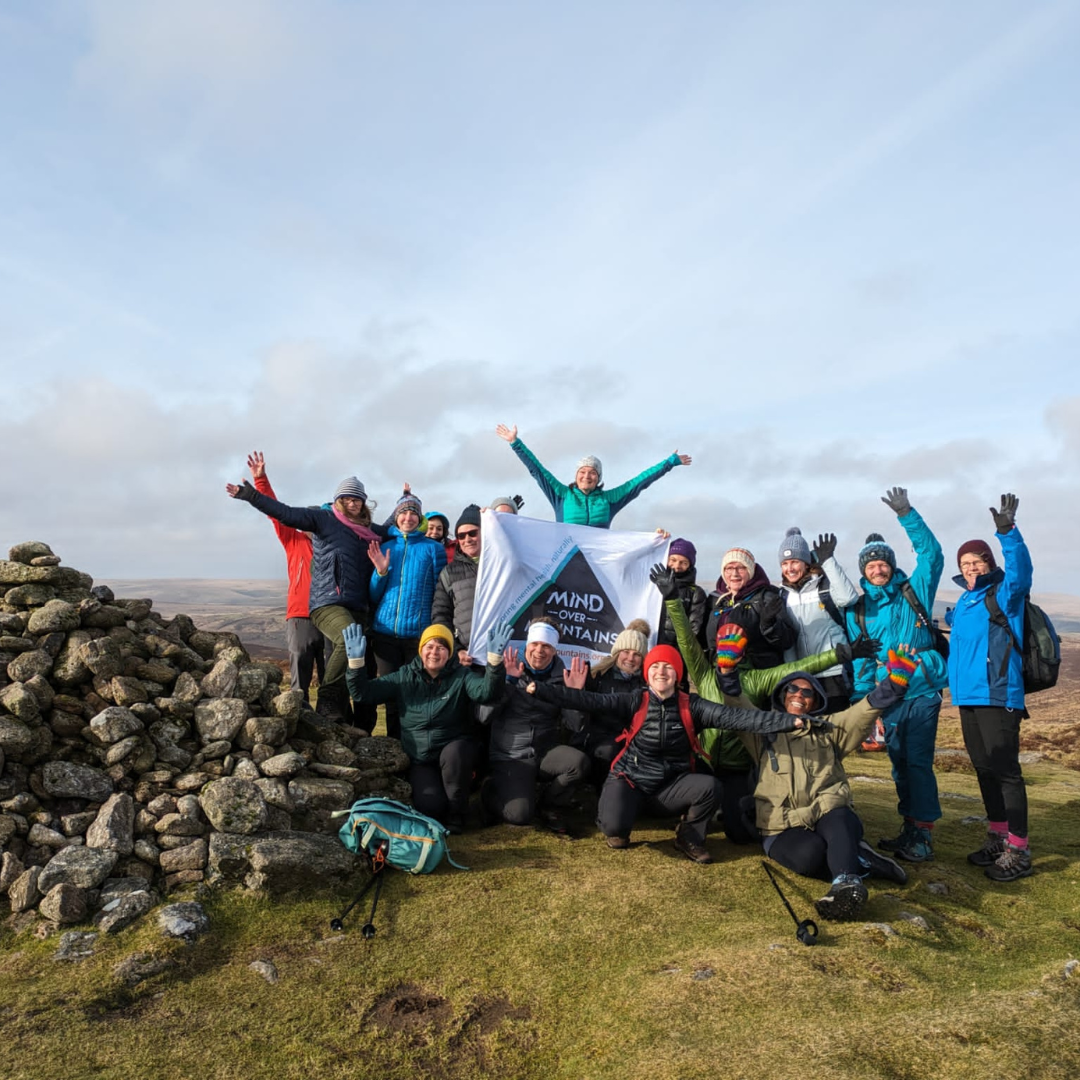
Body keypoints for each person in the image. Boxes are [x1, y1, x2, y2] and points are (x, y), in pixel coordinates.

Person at [651, 563, 880, 845]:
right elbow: (686, 641)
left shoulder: (757, 679)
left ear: (744, 647)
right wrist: (673, 598)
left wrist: (842, 653)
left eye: (735, 643)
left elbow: (799, 666)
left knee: (738, 835)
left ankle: (747, 803)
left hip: (738, 768)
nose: (729, 648)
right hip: (706, 761)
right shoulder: (705, 673)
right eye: (724, 642)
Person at [525, 645, 798, 863]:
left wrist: (788, 721)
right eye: (655, 666)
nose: (661, 671)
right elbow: (588, 700)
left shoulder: (694, 706)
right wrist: (544, 690)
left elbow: (739, 718)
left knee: (710, 786)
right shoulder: (635, 699)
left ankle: (688, 837)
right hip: (631, 778)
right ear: (647, 673)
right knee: (614, 832)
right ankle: (619, 813)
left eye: (668, 666)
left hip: (671, 785)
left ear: (678, 674)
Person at [724, 648, 918, 921]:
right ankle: (860, 860)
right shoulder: (762, 730)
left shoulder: (829, 729)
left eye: (807, 693)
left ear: (815, 702)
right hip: (782, 824)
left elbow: (862, 713)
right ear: (783, 694)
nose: (799, 695)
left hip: (828, 813)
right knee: (809, 857)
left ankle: (845, 885)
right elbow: (736, 706)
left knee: (840, 820)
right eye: (793, 688)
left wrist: (893, 684)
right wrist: (728, 672)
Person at [227, 474, 389, 725]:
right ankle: (319, 703)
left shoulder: (367, 531)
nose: (353, 503)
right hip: (324, 605)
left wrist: (407, 503)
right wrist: (252, 493)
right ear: (337, 501)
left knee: (348, 659)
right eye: (347, 498)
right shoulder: (321, 521)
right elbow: (283, 512)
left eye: (358, 499)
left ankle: (338, 722)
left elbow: (398, 530)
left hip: (357, 605)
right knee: (344, 643)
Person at [845, 487, 948, 863]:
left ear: (890, 564)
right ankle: (909, 828)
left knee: (917, 760)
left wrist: (907, 514)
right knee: (899, 761)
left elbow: (932, 555)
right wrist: (861, 703)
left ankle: (922, 833)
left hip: (920, 688)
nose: (877, 568)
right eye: (870, 565)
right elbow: (863, 661)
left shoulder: (913, 588)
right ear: (863, 572)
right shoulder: (860, 610)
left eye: (881, 563)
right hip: (887, 694)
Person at [343, 621, 512, 831]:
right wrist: (356, 664)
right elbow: (363, 693)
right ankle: (446, 805)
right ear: (421, 650)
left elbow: (486, 692)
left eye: (441, 647)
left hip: (454, 749)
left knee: (455, 756)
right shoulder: (405, 676)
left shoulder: (461, 676)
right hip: (421, 758)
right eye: (429, 646)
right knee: (431, 807)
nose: (434, 652)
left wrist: (494, 664)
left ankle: (459, 814)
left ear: (449, 653)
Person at [945, 494, 1034, 882]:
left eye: (976, 562)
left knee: (1006, 771)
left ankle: (1019, 849)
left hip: (999, 694)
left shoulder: (1005, 595)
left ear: (989, 564)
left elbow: (1022, 570)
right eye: (964, 564)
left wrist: (1007, 532)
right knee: (983, 769)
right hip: (967, 698)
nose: (969, 569)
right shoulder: (964, 602)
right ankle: (998, 837)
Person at [481, 619, 591, 834]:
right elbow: (484, 716)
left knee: (578, 763)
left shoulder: (563, 676)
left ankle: (549, 804)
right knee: (520, 815)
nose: (539, 651)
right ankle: (489, 791)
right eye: (535, 644)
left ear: (554, 650)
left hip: (544, 751)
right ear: (527, 645)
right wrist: (508, 683)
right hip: (510, 755)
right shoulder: (506, 668)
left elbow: (576, 726)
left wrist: (574, 696)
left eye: (547, 646)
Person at [242, 451, 325, 703]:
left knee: (330, 673)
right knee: (299, 667)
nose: (312, 527)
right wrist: (261, 481)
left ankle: (332, 720)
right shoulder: (293, 540)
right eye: (308, 523)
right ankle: (299, 714)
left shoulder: (335, 545)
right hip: (300, 615)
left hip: (330, 614)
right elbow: (275, 511)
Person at [494, 423, 691, 529]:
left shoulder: (610, 499)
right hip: (565, 562)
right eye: (582, 471)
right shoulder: (562, 494)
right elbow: (537, 470)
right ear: (576, 475)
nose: (587, 475)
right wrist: (515, 443)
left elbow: (640, 481)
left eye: (592, 472)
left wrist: (669, 463)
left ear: (598, 478)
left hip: (597, 566)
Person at [368, 492, 448, 739]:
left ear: (420, 518)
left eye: (414, 513)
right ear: (396, 516)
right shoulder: (385, 547)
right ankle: (394, 745)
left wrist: (434, 627)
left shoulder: (433, 549)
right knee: (392, 695)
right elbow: (373, 595)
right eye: (404, 512)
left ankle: (415, 747)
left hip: (418, 635)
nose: (408, 517)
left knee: (416, 694)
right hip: (384, 633)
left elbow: (440, 590)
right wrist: (380, 572)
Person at [777, 528, 860, 714]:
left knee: (834, 731)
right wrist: (790, 675)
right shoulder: (782, 596)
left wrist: (828, 561)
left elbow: (848, 598)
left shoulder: (824, 586)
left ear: (806, 563)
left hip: (834, 674)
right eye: (785, 563)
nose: (790, 568)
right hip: (802, 676)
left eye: (795, 562)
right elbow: (787, 642)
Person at [574, 619, 650, 783]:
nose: (630, 658)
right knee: (608, 752)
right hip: (600, 740)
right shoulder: (597, 676)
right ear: (617, 653)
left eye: (637, 654)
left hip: (632, 741)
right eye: (626, 652)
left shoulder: (647, 683)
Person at [705, 548, 796, 670]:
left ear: (751, 570)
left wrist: (770, 625)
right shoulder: (716, 600)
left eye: (741, 568)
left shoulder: (767, 598)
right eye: (729, 568)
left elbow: (787, 640)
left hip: (758, 676)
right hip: (722, 674)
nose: (734, 573)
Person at [430, 505, 484, 666]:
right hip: (466, 657)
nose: (467, 539)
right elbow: (440, 615)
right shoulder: (449, 572)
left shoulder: (502, 565)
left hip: (503, 654)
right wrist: (456, 649)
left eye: (473, 533)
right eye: (461, 536)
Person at [656, 539, 709, 657]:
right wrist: (656, 540)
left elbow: (694, 630)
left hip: (676, 654)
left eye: (683, 562)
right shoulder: (654, 585)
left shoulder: (695, 592)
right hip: (650, 648)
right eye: (673, 560)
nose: (677, 566)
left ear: (690, 565)